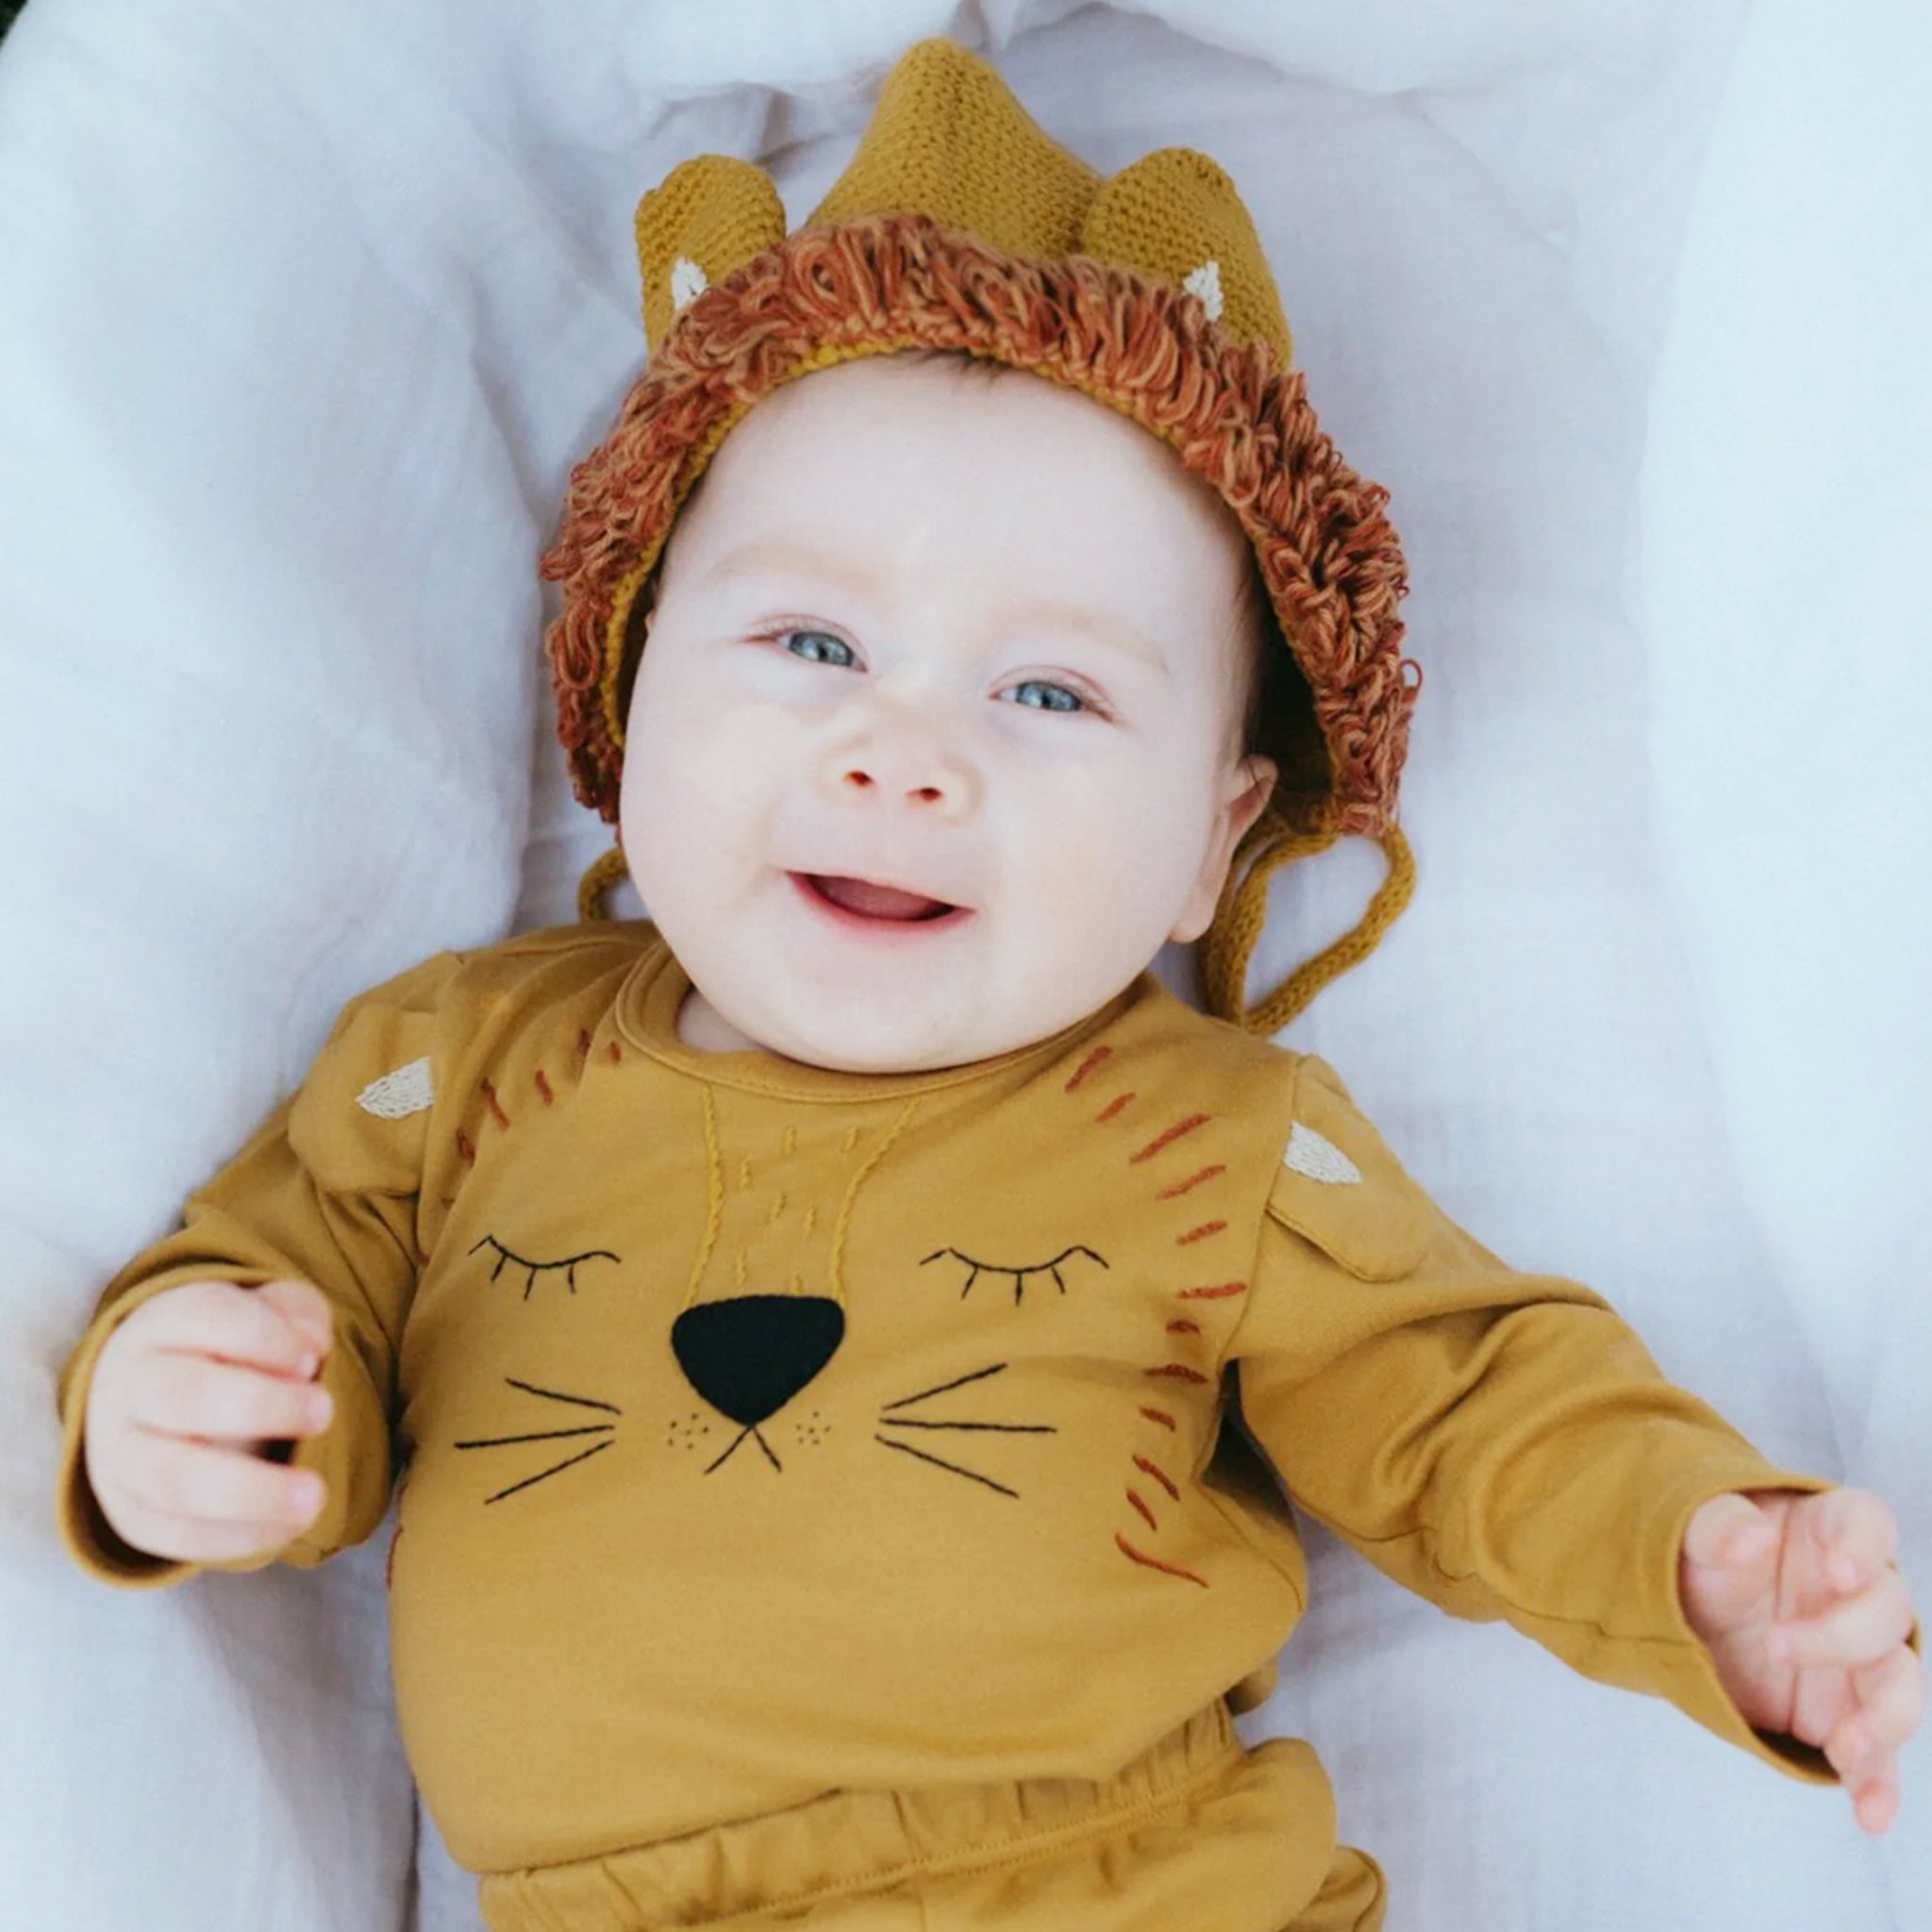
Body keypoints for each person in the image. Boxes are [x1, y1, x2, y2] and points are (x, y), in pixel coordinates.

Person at [51, 35, 1921, 1932]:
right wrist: (177, 1400)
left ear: (1212, 836)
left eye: (1049, 693)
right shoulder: (455, 1071)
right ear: (623, 688)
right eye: (808, 639)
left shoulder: (1217, 1140)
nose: (899, 755)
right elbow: (276, 1277)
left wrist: (1695, 1560)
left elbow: (1464, 1401)